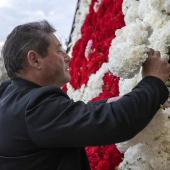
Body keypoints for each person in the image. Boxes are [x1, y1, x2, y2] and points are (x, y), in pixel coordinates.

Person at [0, 20, 170, 170]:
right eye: (59, 50)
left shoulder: (10, 96)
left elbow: (69, 116)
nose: (67, 57)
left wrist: (109, 102)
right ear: (35, 60)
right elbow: (116, 123)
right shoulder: (34, 108)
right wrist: (153, 80)